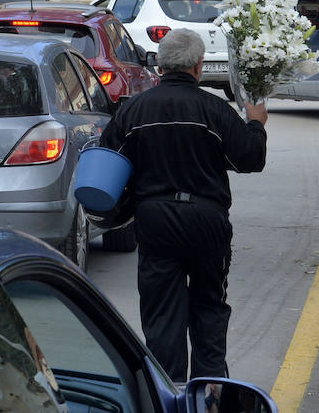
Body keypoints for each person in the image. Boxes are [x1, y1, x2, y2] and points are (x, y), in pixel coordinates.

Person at [97, 28, 268, 382]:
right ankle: (211, 395)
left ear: (159, 64)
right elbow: (251, 158)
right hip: (207, 221)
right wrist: (256, 123)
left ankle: (169, 394)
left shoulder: (134, 110)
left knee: (161, 316)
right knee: (209, 308)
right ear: (199, 67)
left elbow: (106, 161)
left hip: (155, 220)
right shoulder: (214, 109)